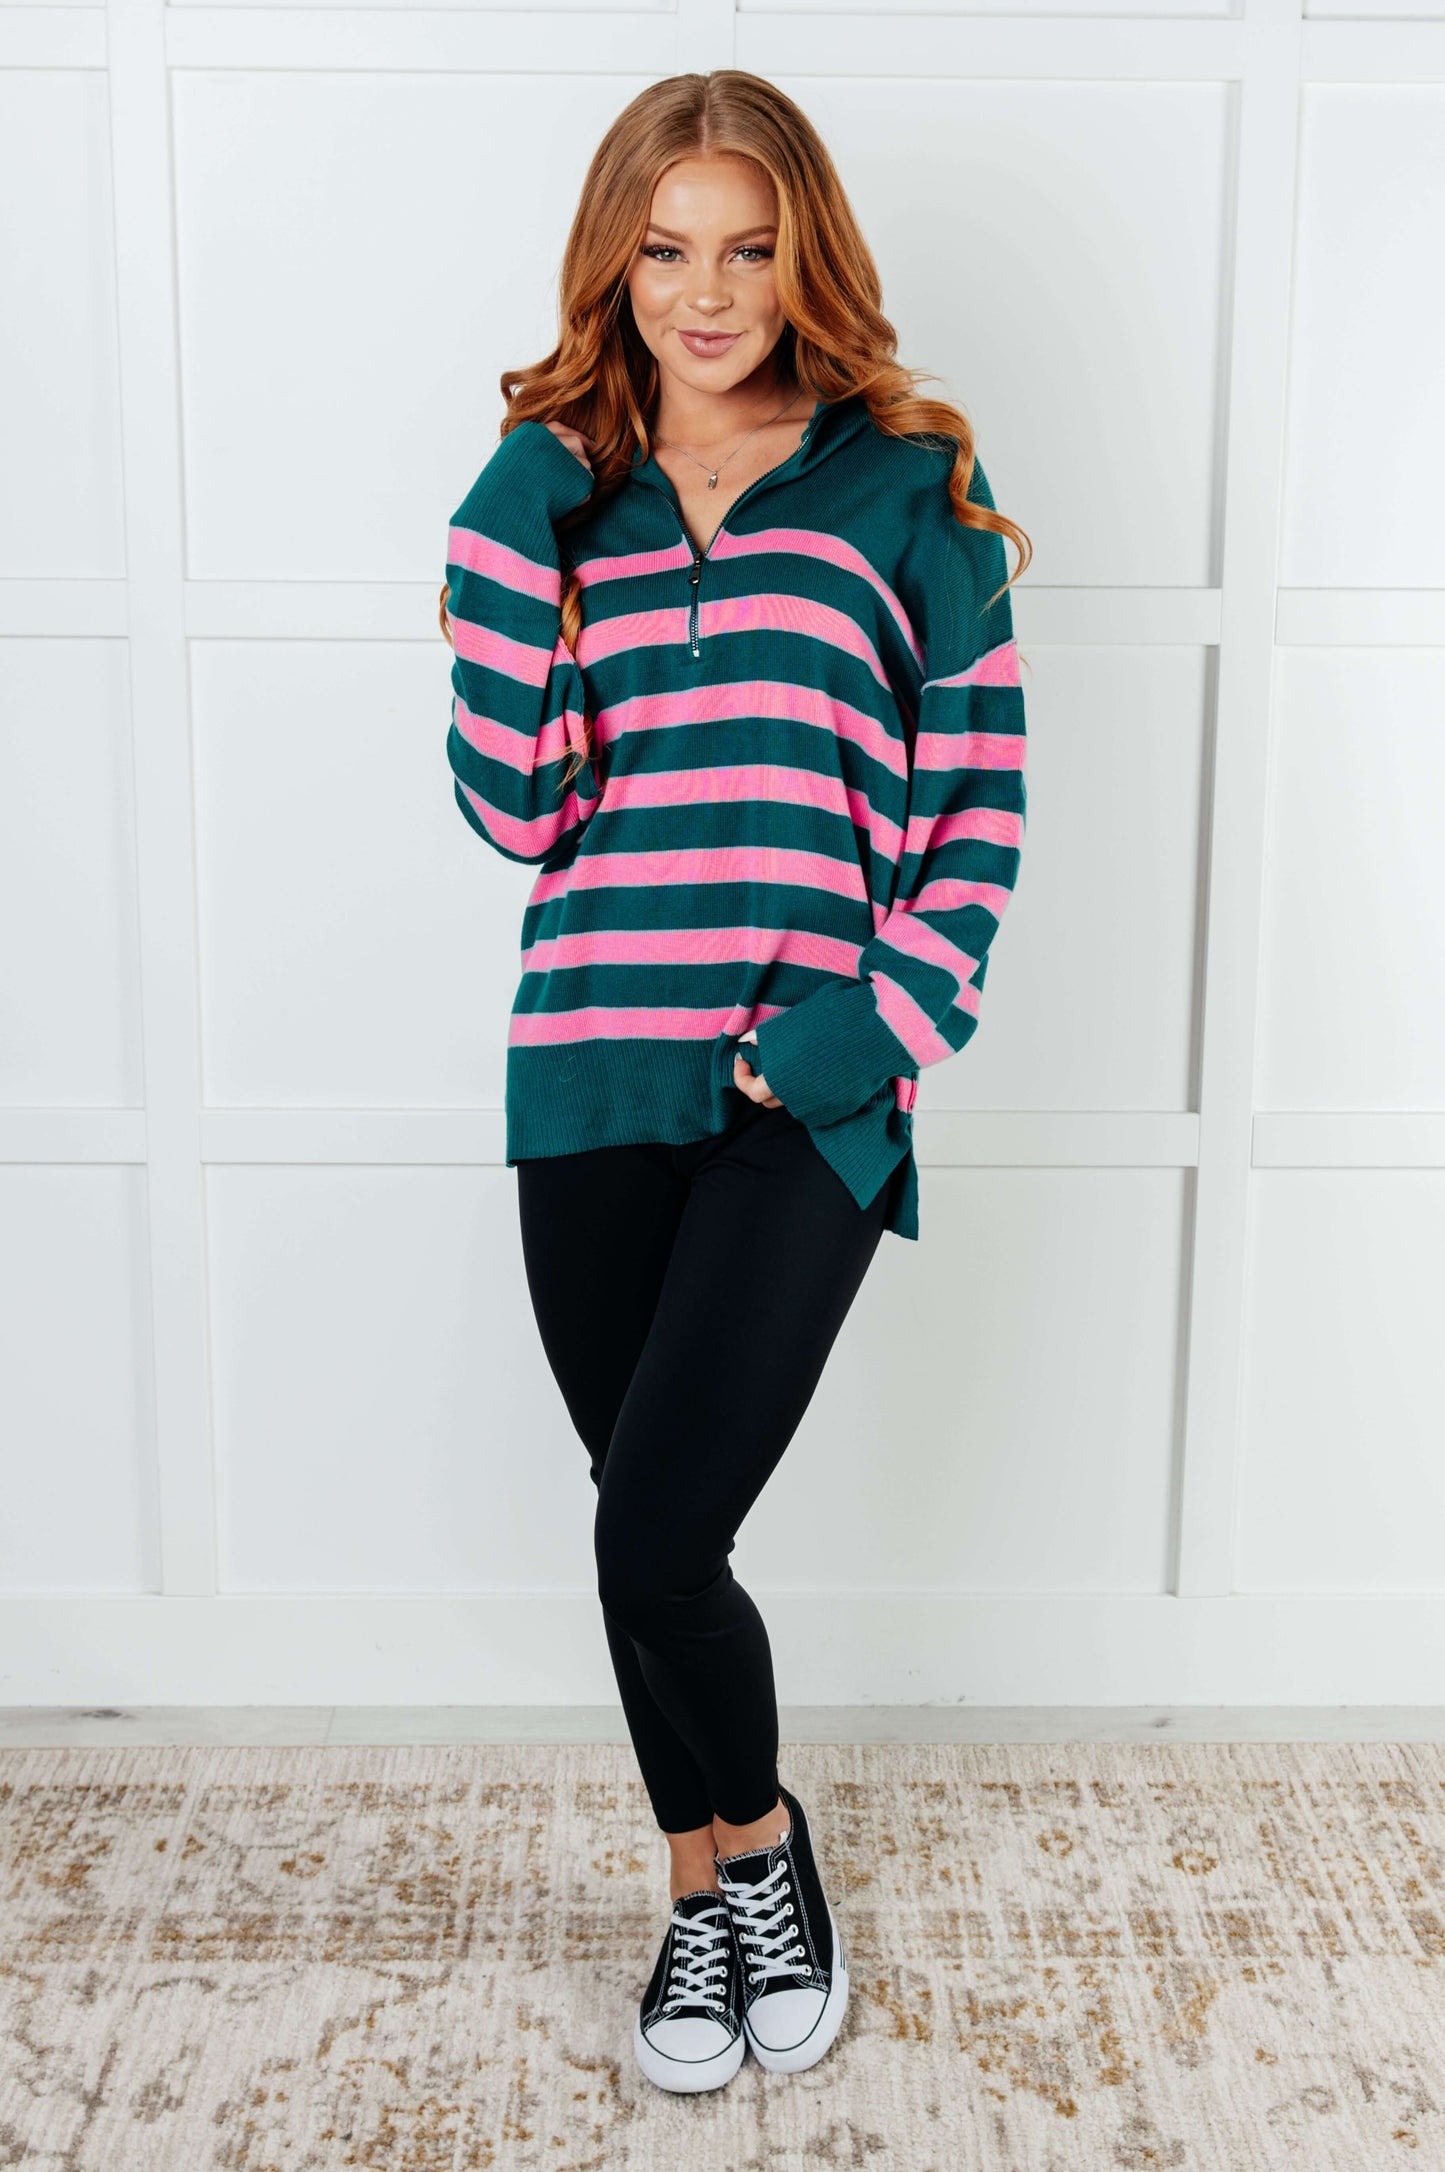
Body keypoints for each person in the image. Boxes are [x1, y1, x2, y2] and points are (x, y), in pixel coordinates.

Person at [438, 69, 1030, 2094]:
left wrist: (873, 1030)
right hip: (588, 1072)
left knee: (657, 1536)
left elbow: (977, 811)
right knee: (643, 1532)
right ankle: (711, 1895)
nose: (707, 293)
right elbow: (515, 809)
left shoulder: (908, 483)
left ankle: (760, 1856)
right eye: (666, 250)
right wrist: (508, 526)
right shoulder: (563, 499)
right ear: (614, 265)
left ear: (806, 257)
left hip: (810, 1094)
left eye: (749, 249)